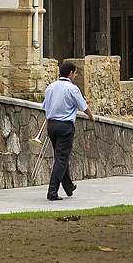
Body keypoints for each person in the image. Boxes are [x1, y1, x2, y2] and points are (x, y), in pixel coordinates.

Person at [42, 61, 96, 201]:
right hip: (65, 126)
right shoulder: (72, 88)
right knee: (61, 158)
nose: (75, 75)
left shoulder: (50, 87)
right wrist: (91, 116)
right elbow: (83, 105)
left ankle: (68, 186)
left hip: (52, 125)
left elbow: (45, 106)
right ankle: (52, 191)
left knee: (60, 156)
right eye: (75, 73)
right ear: (70, 73)